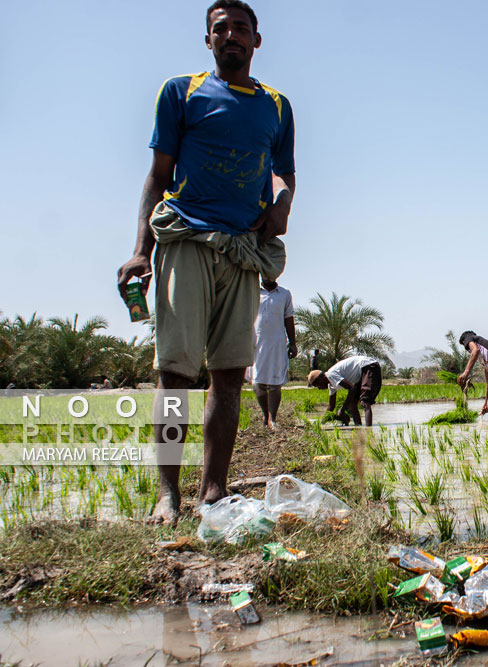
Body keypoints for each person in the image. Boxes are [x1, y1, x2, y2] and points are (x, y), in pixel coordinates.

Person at [116, 0, 295, 524]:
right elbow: (157, 174)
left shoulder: (277, 105)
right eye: (221, 28)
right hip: (186, 240)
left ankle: (212, 491)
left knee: (229, 375)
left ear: (257, 41)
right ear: (209, 40)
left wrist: (281, 203)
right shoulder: (181, 92)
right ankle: (167, 494)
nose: (231, 35)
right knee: (174, 373)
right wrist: (139, 250)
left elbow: (284, 172)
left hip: (242, 250)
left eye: (241, 27)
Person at [250, 279, 296, 429]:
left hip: (277, 343)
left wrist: (293, 343)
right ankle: (265, 416)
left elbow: (289, 319)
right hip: (257, 343)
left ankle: (273, 419)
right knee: (257, 383)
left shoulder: (284, 294)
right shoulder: (253, 292)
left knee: (275, 384)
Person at [307, 355, 383, 426]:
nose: (319, 388)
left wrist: (342, 409)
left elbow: (352, 388)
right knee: (352, 405)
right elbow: (331, 406)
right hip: (361, 373)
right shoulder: (331, 385)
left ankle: (368, 431)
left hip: (368, 366)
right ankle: (358, 428)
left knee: (364, 401)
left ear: (320, 379)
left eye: (316, 385)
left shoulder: (330, 375)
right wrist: (322, 424)